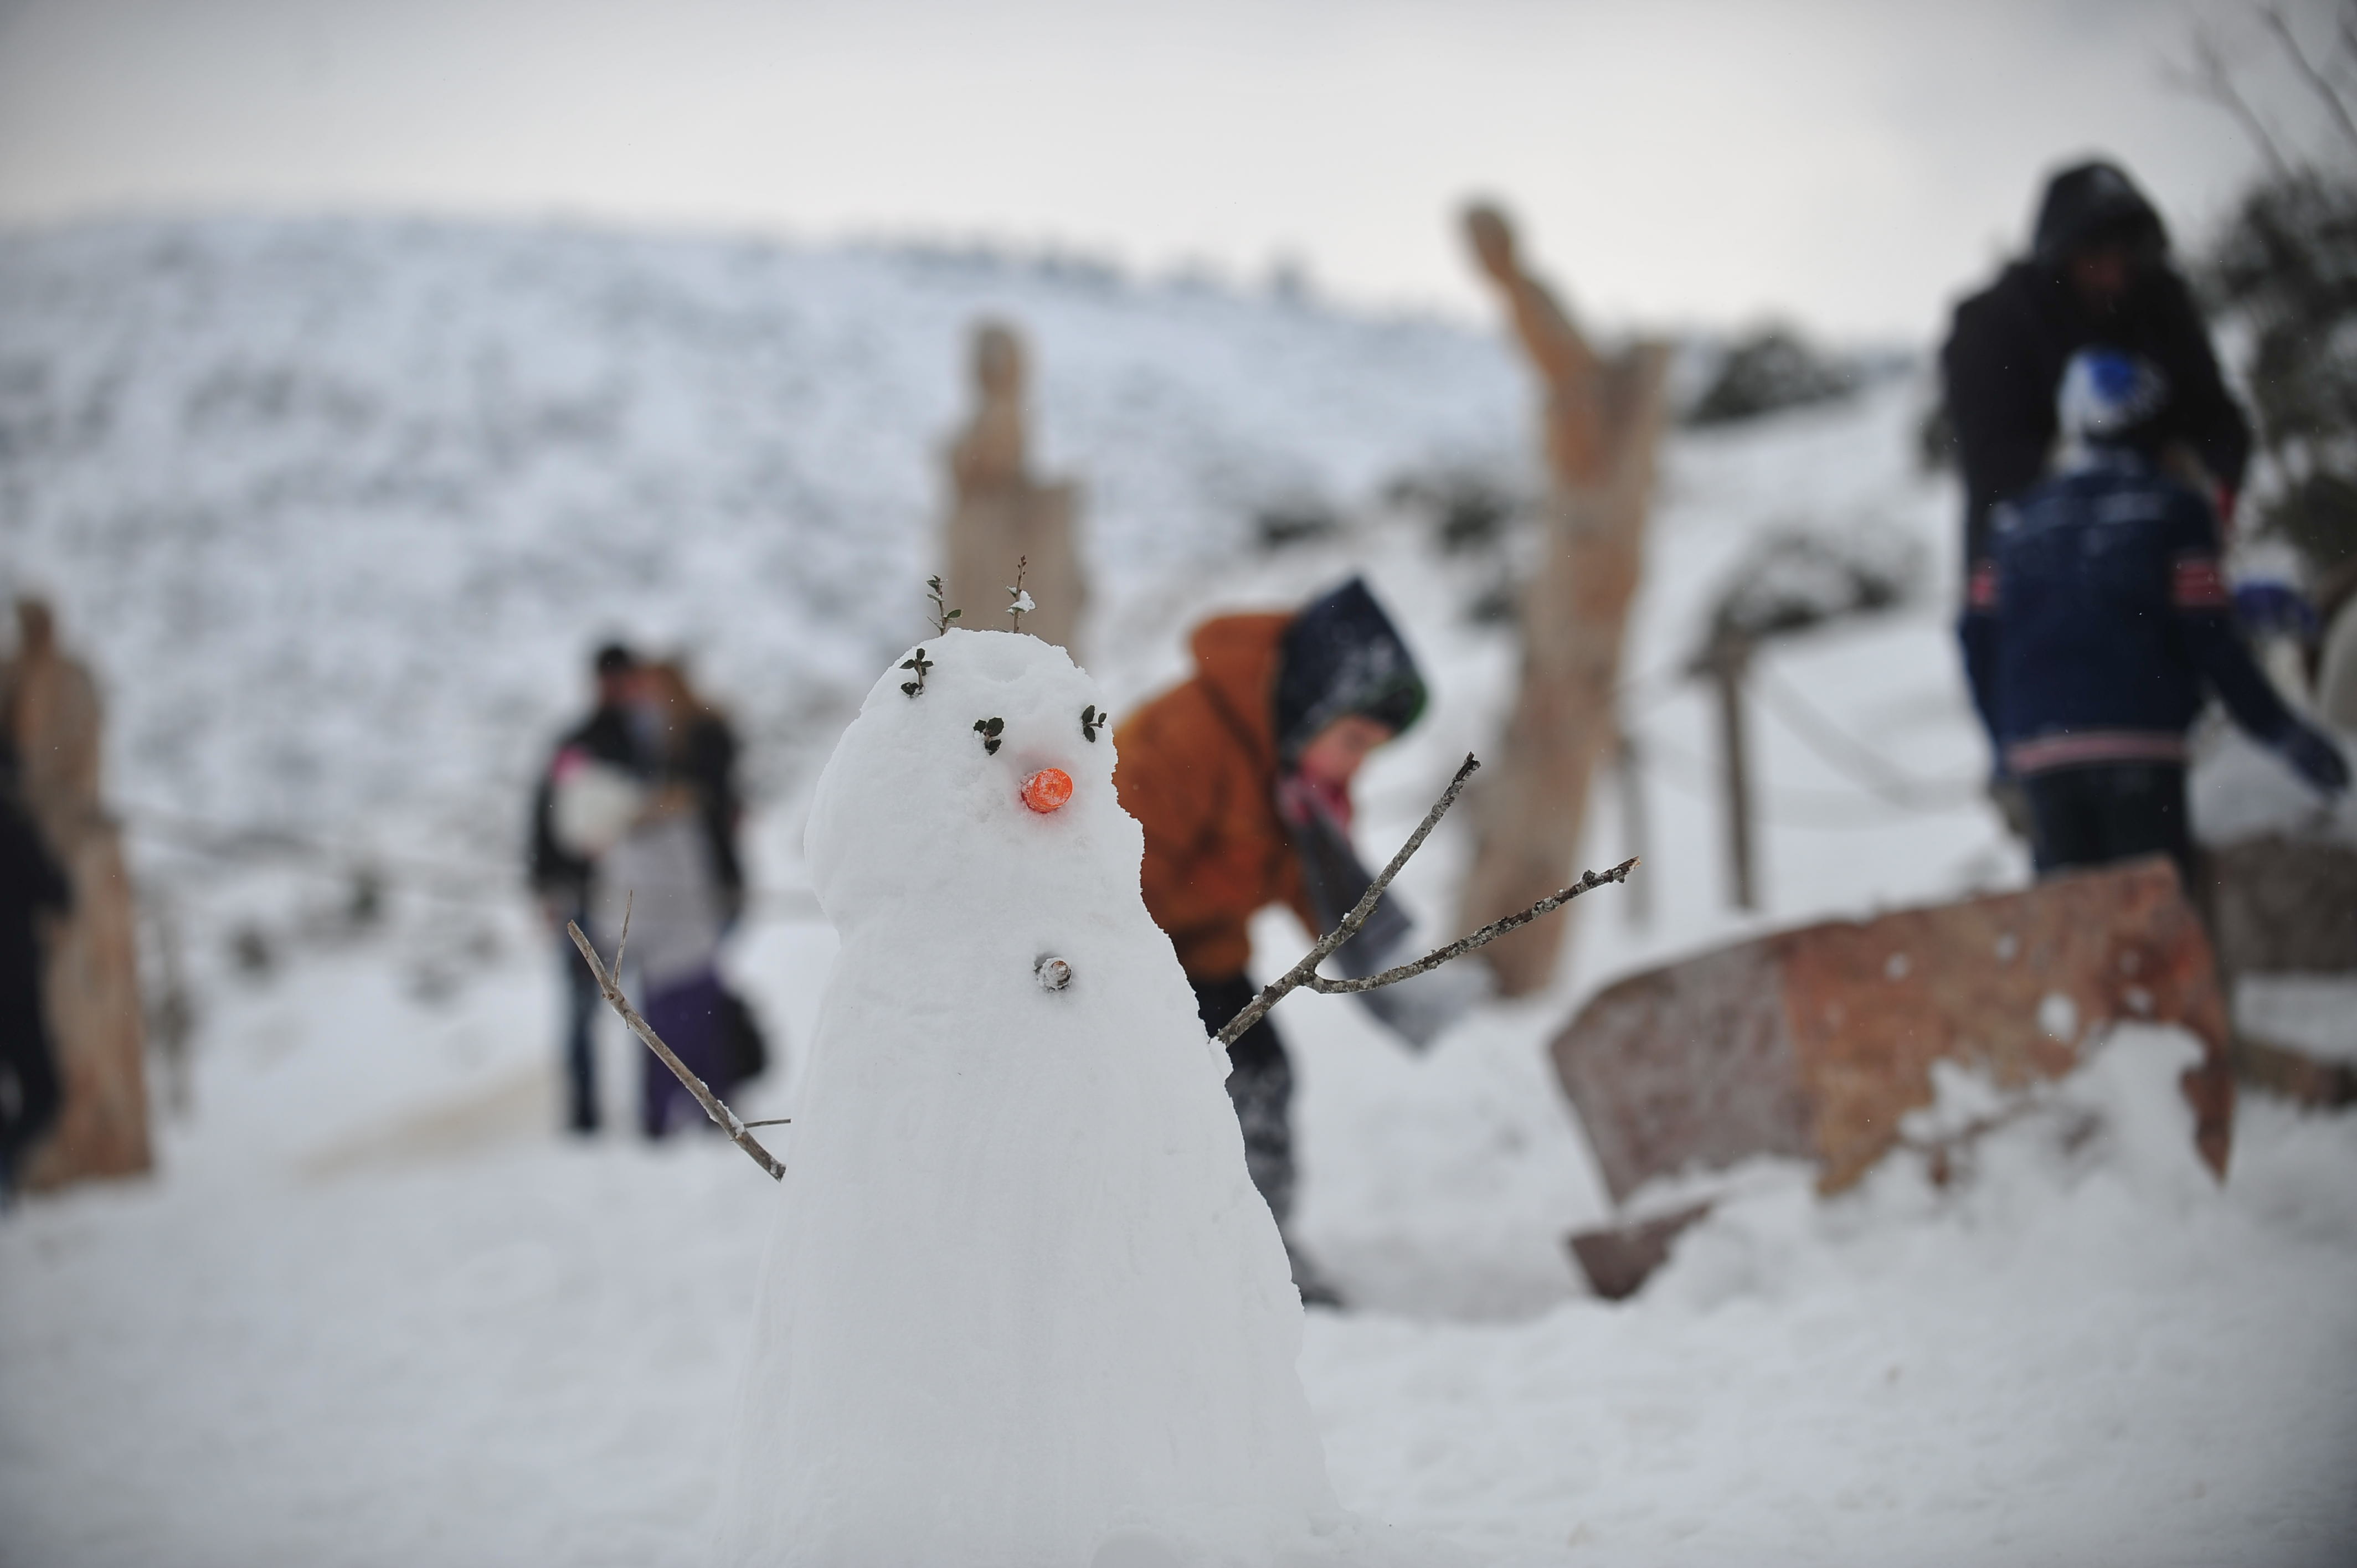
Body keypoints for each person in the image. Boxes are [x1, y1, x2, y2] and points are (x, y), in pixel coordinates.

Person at [1115, 577, 1462, 1306]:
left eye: (1371, 749)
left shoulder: (1299, 772)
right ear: (1312, 704)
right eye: (1354, 741)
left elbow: (1316, 883)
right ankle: (1159, 1249)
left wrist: (1390, 970)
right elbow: (1116, 878)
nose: (1358, 764)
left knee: (1262, 1074)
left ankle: (1257, 1248)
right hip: (1124, 954)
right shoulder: (1185, 739)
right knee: (1164, 1099)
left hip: (1206, 953)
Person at [1961, 349, 2349, 890]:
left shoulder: (2014, 523)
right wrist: (2281, 732)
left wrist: (2003, 741)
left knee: (2075, 915)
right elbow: (2208, 640)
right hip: (2139, 740)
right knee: (2153, 910)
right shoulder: (2171, 509)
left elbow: (1977, 636)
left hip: (2041, 752)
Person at [1943, 159, 2252, 579]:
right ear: (2060, 257)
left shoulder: (2159, 302)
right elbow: (1995, 468)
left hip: (2163, 553)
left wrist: (2211, 487)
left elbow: (2215, 418)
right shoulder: (1992, 325)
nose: (2112, 275)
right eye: (2094, 256)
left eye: (2125, 255)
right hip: (2029, 566)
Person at [595, 661, 743, 1139]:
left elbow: (709, 796)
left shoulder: (700, 736)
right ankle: (692, 1106)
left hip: (703, 883)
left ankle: (708, 1106)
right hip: (683, 887)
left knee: (695, 1007)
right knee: (684, 1007)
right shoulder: (661, 739)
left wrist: (663, 809)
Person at [528, 642, 646, 1134]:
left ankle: (656, 1113)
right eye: (612, 679)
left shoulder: (647, 740)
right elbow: (546, 814)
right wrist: (544, 886)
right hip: (582, 894)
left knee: (654, 1004)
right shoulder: (577, 744)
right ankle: (584, 1119)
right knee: (580, 1009)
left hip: (643, 895)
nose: (619, 688)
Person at [0, 740, 70, 1200]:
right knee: (44, 1094)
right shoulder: (15, 831)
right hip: (16, 989)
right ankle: (5, 1159)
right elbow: (60, 895)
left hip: (17, 985)